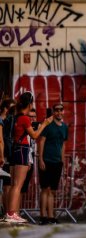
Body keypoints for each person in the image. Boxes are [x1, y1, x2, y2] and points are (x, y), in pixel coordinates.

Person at [5, 92, 53, 224]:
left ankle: (9, 212)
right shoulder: (25, 118)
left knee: (13, 184)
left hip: (15, 150)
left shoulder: (15, 117)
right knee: (17, 185)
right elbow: (35, 136)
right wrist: (45, 123)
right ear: (30, 104)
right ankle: (12, 214)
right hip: (23, 150)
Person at [37, 103, 68, 225]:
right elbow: (41, 142)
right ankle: (43, 216)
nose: (59, 112)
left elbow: (63, 145)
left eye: (61, 110)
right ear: (54, 112)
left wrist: (62, 160)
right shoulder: (48, 125)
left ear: (63, 111)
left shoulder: (65, 127)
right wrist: (41, 159)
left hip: (57, 162)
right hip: (46, 160)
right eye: (56, 110)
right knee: (45, 189)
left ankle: (50, 216)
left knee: (53, 191)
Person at [0, 98, 15, 218]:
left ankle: (5, 212)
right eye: (12, 108)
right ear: (6, 108)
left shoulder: (9, 120)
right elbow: (2, 140)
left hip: (6, 155)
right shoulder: (6, 120)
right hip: (4, 156)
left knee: (6, 186)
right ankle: (6, 213)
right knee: (6, 186)